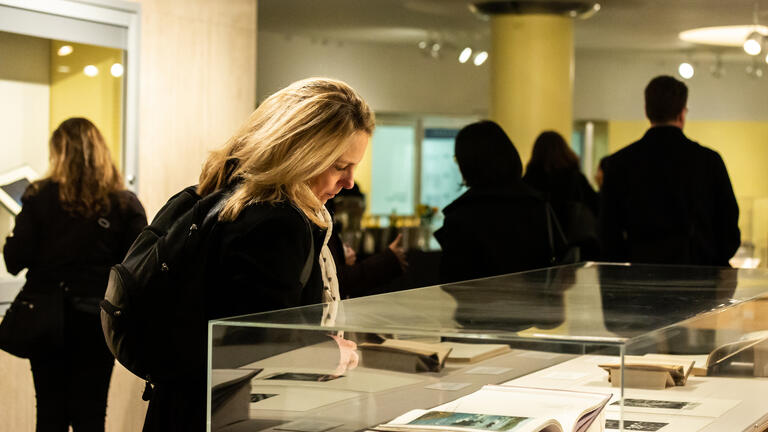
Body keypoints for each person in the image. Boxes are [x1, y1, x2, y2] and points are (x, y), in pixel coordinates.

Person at [142, 77, 374, 431]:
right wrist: (331, 354)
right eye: (340, 166)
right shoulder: (277, 222)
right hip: (228, 414)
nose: (350, 183)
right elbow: (258, 342)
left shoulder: (223, 196)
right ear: (300, 152)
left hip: (184, 406)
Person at [3, 117, 147, 432]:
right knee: (92, 415)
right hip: (97, 323)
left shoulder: (39, 196)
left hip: (46, 322)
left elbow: (14, 260)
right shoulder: (124, 203)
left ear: (59, 153)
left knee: (50, 415)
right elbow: (138, 269)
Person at [600, 75, 740, 266]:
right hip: (700, 274)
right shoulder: (709, 161)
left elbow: (608, 231)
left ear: (647, 112)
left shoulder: (619, 163)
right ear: (682, 114)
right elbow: (728, 225)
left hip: (641, 276)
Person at [434, 120, 552, 283]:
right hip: (533, 306)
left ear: (467, 163)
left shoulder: (462, 215)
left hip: (479, 307)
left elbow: (452, 281)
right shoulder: (538, 205)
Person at [523, 131, 600, 259]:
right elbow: (596, 205)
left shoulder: (530, 180)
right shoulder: (575, 178)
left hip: (540, 244)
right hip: (575, 242)